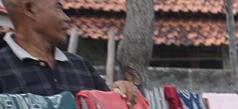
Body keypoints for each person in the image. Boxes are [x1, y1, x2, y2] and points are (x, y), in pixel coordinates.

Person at [0, 0, 139, 101]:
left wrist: (121, 91)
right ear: (30, 9)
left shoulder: (80, 66)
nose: (66, 18)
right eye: (58, 8)